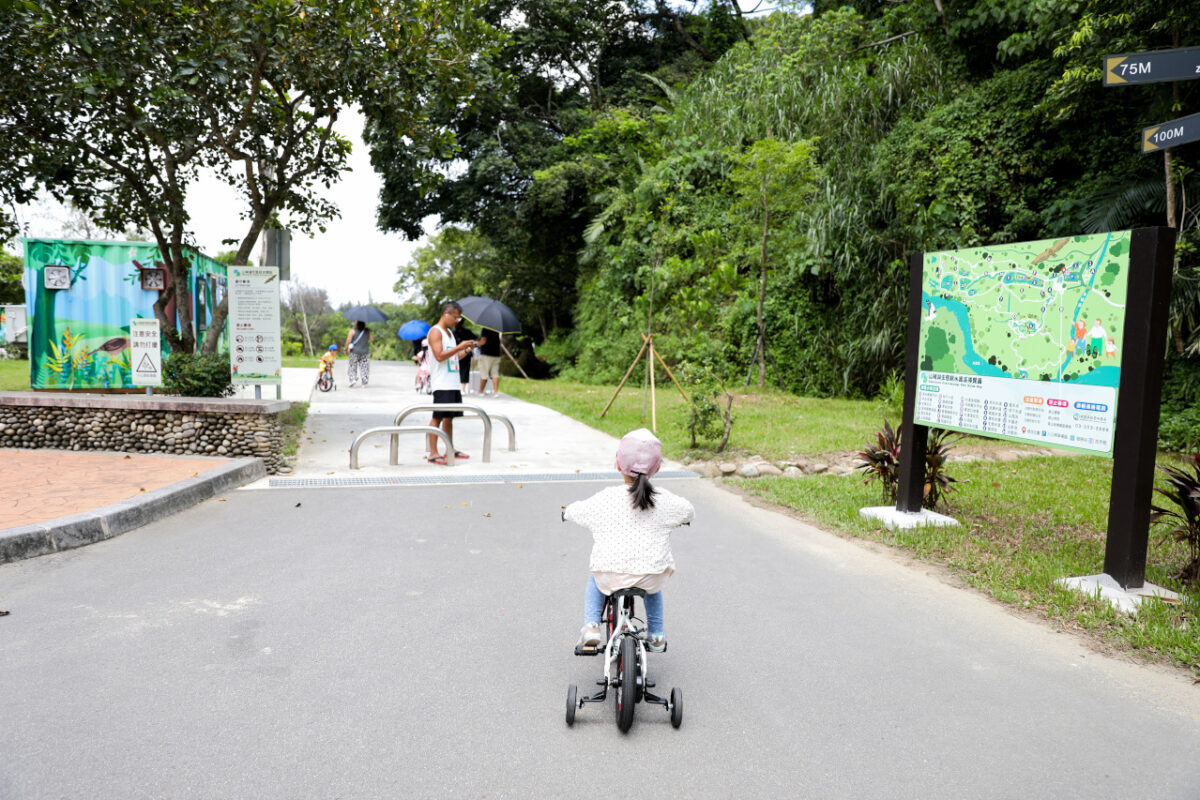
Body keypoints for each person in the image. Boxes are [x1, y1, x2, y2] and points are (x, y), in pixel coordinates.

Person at [562, 428, 694, 653]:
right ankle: (656, 634)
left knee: (595, 577)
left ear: (617, 464)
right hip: (649, 575)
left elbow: (576, 511)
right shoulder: (664, 500)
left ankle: (591, 626)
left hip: (610, 573)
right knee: (653, 586)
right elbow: (688, 511)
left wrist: (566, 512)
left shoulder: (605, 498)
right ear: (658, 468)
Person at [426, 301, 478, 465]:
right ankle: (433, 453)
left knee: (449, 418)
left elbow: (453, 357)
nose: (458, 321)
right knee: (438, 417)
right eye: (456, 317)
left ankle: (450, 448)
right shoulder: (436, 331)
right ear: (446, 314)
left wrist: (467, 349)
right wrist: (459, 347)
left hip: (453, 382)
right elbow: (439, 356)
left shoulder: (449, 332)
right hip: (442, 383)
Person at [344, 321, 375, 387]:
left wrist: (346, 349)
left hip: (354, 352)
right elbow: (372, 339)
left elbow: (348, 340)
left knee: (352, 366)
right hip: (365, 352)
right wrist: (369, 332)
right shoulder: (367, 331)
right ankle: (364, 382)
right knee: (364, 367)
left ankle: (352, 379)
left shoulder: (352, 331)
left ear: (357, 324)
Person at [454, 318, 477, 395]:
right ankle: (462, 389)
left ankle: (461, 388)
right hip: (461, 353)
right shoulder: (454, 332)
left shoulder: (453, 332)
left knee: (461, 370)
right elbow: (475, 339)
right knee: (463, 370)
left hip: (462, 353)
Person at [477, 327, 502, 396]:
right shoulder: (497, 328)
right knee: (495, 373)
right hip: (496, 354)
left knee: (484, 373)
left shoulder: (486, 328)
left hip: (486, 354)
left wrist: (477, 344)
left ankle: (481, 391)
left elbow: (483, 341)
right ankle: (495, 392)